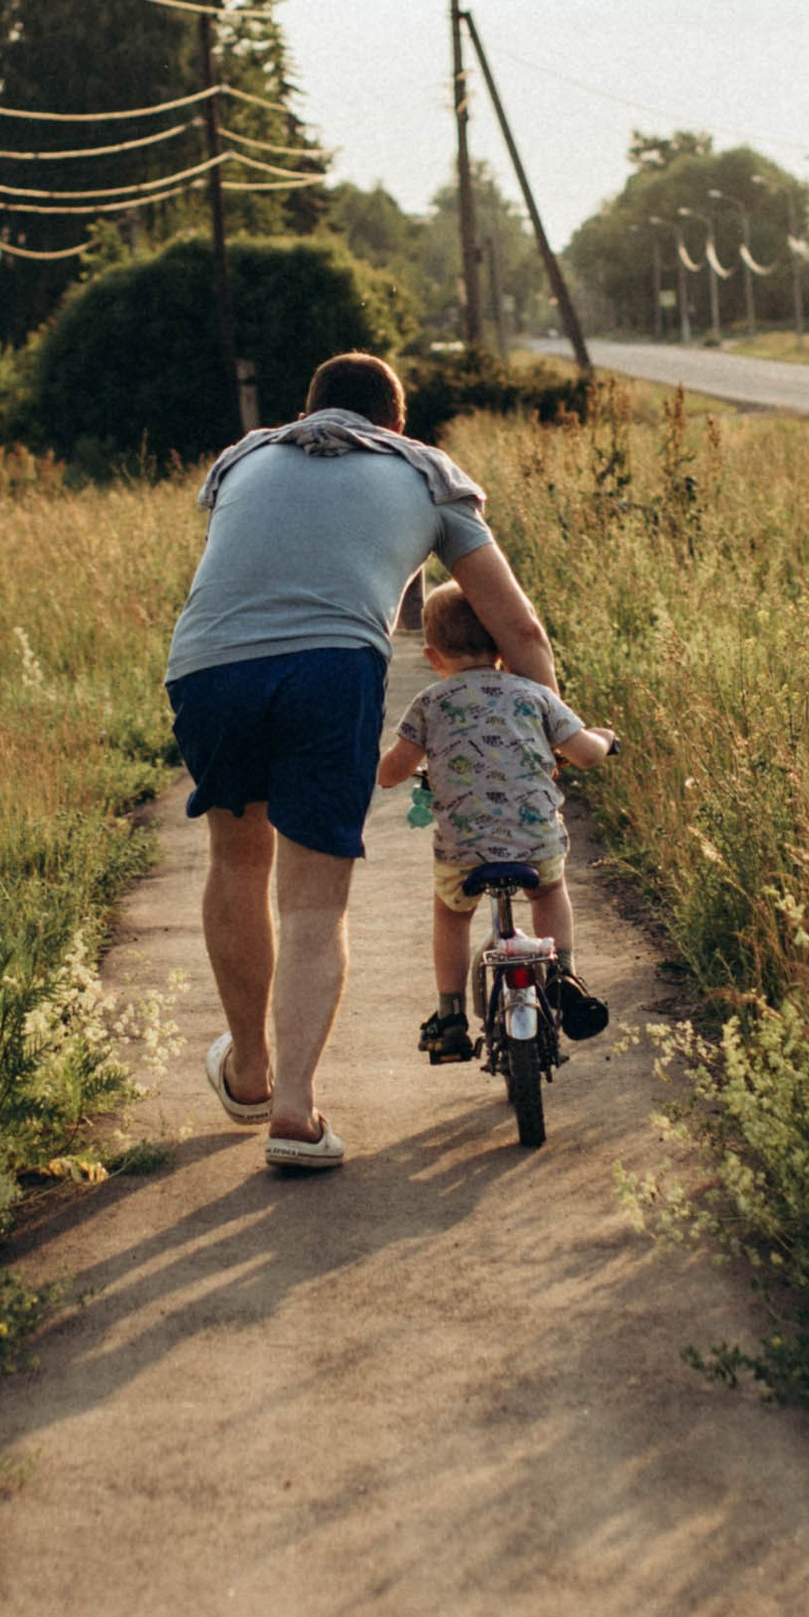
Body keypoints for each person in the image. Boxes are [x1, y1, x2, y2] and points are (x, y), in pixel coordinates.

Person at [164, 349, 561, 1172]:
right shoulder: (424, 473)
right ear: (396, 423)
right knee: (313, 901)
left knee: (238, 860)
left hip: (207, 664)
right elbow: (519, 633)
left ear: (309, 410)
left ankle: (246, 1071)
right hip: (328, 667)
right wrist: (540, 740)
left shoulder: (247, 459)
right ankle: (294, 1113)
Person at [376, 578, 616, 1059]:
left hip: (464, 854)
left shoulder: (429, 704)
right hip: (535, 842)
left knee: (451, 913)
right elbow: (585, 754)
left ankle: (449, 1014)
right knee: (548, 890)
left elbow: (391, 773)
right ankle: (563, 974)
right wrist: (605, 738)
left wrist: (382, 764)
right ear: (503, 647)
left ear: (432, 656)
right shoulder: (534, 695)